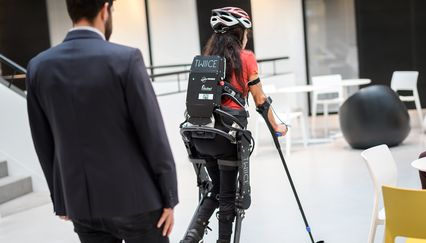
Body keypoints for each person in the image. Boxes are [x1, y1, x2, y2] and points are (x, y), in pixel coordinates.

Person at [26, 0, 178, 242]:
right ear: (105, 10)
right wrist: (169, 197)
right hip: (136, 200)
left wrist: (61, 199)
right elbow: (152, 134)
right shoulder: (126, 59)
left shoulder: (38, 67)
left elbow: (43, 142)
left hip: (81, 204)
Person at [181, 7, 287, 243]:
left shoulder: (206, 60)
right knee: (228, 195)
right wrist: (277, 126)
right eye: (246, 31)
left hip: (200, 134)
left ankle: (191, 236)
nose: (248, 35)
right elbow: (260, 100)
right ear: (240, 33)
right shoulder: (246, 58)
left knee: (215, 188)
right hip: (227, 135)